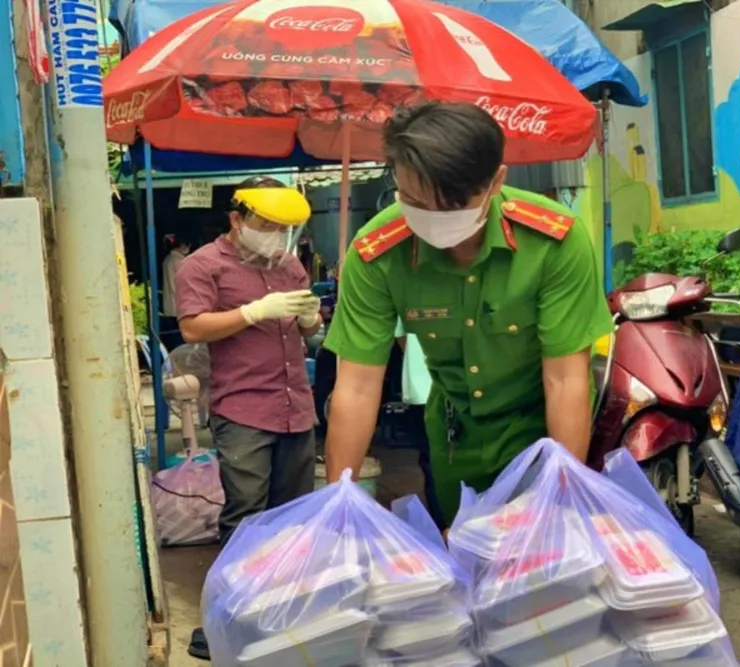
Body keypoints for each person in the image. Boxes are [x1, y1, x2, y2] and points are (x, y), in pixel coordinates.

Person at [323, 101, 613, 525]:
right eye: (413, 200)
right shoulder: (377, 254)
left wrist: (561, 491)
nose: (432, 218)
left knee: (540, 552)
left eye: (451, 205)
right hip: (454, 436)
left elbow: (565, 379)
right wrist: (336, 503)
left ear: (496, 181)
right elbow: (358, 387)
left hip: (541, 433)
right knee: (457, 549)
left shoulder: (553, 242)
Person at [174, 176, 322, 660]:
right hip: (243, 410)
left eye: (283, 228)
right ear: (236, 219)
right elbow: (193, 327)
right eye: (266, 224)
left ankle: (282, 614)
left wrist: (310, 319)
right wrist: (254, 311)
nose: (275, 235)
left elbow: (309, 331)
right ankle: (228, 619)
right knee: (246, 519)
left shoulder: (290, 265)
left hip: (295, 407)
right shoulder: (203, 265)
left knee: (293, 518)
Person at [393, 316, 444, 526]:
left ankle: (444, 528)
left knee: (432, 461)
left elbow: (401, 336)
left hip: (424, 384)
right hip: (433, 387)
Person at [161, 231, 195, 350]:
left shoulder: (168, 259)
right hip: (179, 307)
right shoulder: (181, 261)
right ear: (182, 245)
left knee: (174, 342)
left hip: (169, 307)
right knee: (182, 343)